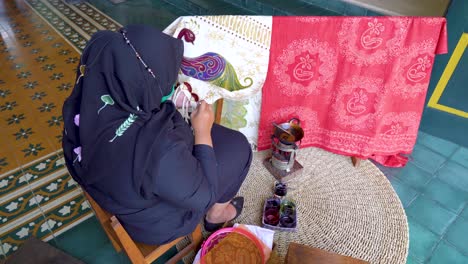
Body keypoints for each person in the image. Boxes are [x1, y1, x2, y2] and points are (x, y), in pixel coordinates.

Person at [62, 25, 252, 245]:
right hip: (159, 223)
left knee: (217, 140)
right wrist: (201, 131)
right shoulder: (158, 148)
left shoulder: (82, 103)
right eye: (167, 82)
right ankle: (216, 216)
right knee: (239, 147)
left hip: (121, 188)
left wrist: (164, 105)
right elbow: (203, 196)